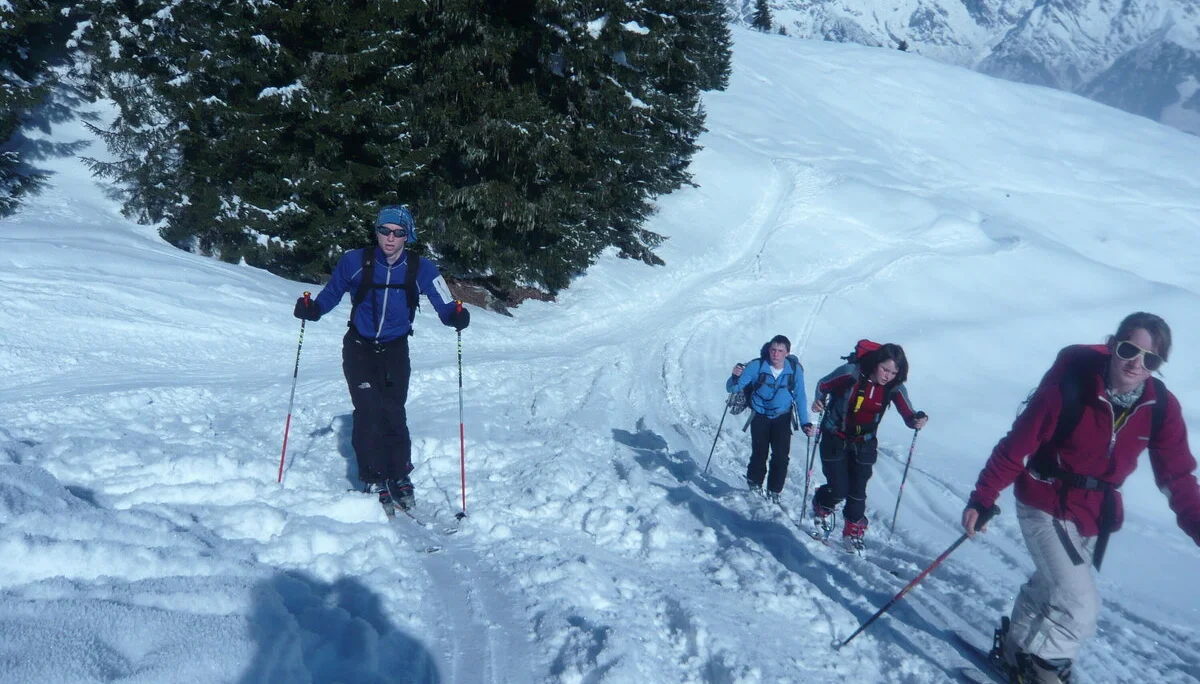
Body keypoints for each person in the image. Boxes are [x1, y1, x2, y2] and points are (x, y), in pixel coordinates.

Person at [962, 312, 1200, 683]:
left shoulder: (1160, 407)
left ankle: (1016, 652)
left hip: (1092, 515)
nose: (1136, 364)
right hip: (1044, 501)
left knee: (1049, 585)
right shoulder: (1070, 387)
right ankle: (1045, 671)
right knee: (1078, 604)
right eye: (1128, 350)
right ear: (1112, 345)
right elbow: (1018, 446)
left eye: (1150, 359)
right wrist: (983, 497)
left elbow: (1179, 479)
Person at [293, 205, 470, 512]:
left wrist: (455, 315)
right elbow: (331, 294)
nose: (390, 238)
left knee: (392, 409)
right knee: (368, 408)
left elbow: (444, 302)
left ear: (408, 236)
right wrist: (313, 310)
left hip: (395, 350)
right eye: (384, 231)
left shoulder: (420, 267)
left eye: (398, 233)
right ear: (376, 232)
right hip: (359, 347)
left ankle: (399, 473)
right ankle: (374, 476)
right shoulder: (354, 261)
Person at [810, 343, 927, 550]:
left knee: (858, 490)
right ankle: (822, 505)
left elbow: (908, 412)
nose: (888, 376)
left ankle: (853, 531)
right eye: (885, 369)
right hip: (835, 436)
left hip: (865, 441)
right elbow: (823, 385)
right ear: (876, 363)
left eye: (893, 372)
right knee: (839, 488)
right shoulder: (851, 373)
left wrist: (916, 420)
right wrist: (819, 401)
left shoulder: (894, 387)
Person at [726, 335, 814, 503]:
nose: (775, 354)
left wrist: (805, 423)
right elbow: (733, 387)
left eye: (780, 351)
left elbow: (800, 397)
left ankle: (775, 491)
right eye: (773, 350)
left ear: (787, 353)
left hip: (782, 416)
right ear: (769, 350)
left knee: (781, 456)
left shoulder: (794, 370)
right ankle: (754, 484)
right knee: (760, 453)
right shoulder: (755, 367)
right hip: (759, 415)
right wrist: (735, 376)